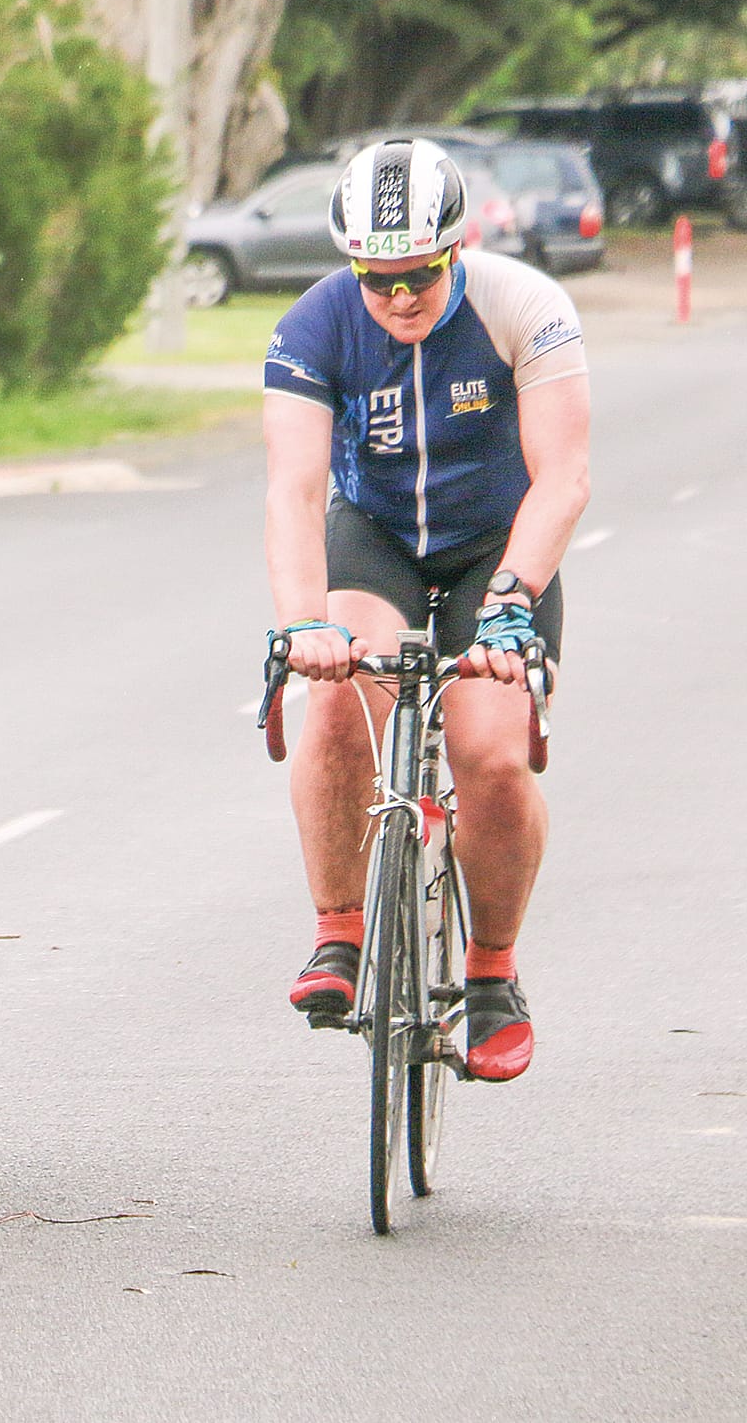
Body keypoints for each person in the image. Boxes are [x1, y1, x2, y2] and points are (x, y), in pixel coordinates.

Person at [263, 137, 591, 1082]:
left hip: (497, 546)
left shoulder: (525, 306)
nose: (400, 297)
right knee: (333, 695)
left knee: (489, 752)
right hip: (376, 538)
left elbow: (563, 477)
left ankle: (492, 975)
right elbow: (293, 490)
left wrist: (510, 609)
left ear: (458, 249)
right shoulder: (314, 325)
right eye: (377, 278)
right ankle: (339, 932)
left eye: (419, 275)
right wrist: (301, 626)